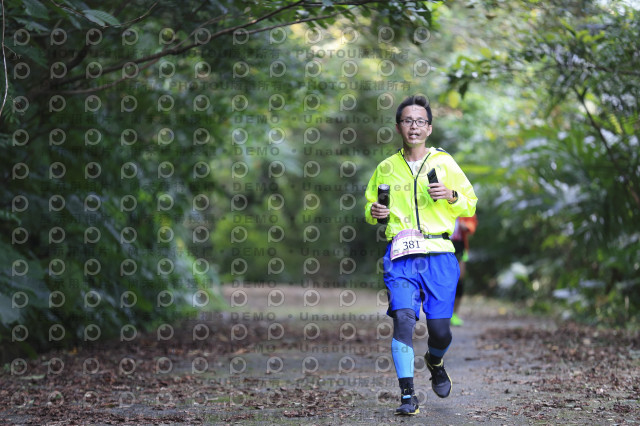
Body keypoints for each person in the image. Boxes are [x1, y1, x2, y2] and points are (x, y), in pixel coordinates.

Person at [364, 95, 477, 416]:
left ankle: (435, 361)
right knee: (403, 319)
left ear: (429, 128)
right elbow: (371, 207)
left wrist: (451, 195)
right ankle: (407, 395)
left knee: (440, 331)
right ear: (398, 126)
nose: (413, 127)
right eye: (407, 121)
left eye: (419, 121)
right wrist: (374, 211)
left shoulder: (445, 163)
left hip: (440, 254)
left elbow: (470, 202)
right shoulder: (386, 167)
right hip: (400, 255)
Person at [450, 214, 478, 326]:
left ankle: (454, 314)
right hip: (442, 245)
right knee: (443, 280)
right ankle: (441, 312)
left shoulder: (463, 206)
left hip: (460, 246)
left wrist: (465, 226)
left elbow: (472, 223)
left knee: (459, 280)